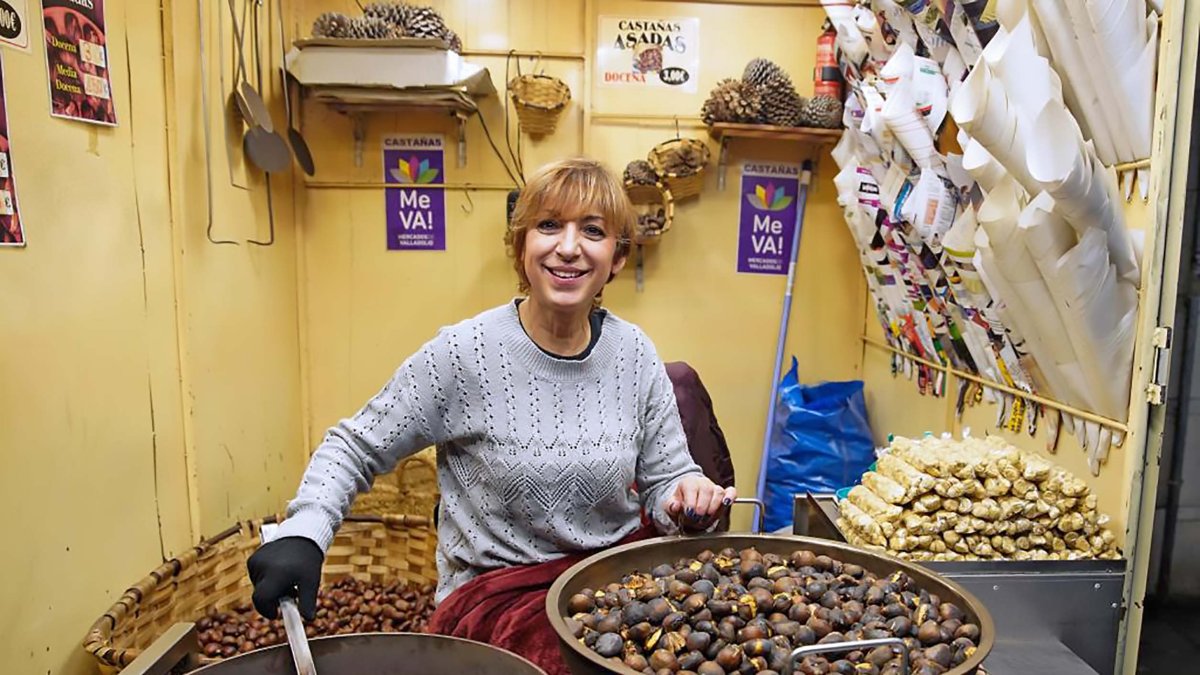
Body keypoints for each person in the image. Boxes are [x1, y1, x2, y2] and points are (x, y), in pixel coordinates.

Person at [246, 157, 734, 671]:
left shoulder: (633, 352)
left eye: (593, 231)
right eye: (549, 225)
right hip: (496, 604)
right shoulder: (464, 354)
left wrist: (687, 496)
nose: (569, 247)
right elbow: (355, 446)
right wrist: (305, 531)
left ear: (617, 257)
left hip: (609, 592)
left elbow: (666, 481)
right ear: (521, 246)